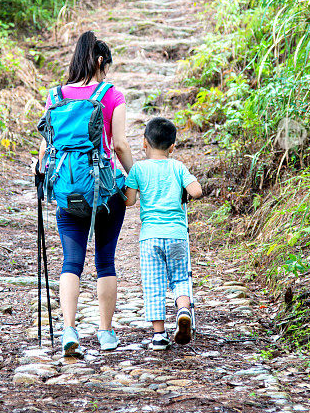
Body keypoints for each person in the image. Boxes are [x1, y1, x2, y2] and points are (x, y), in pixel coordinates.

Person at [36, 31, 134, 357]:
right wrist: (134, 178)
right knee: (105, 262)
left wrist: (42, 177)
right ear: (101, 61)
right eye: (106, 67)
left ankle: (68, 329)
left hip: (67, 191)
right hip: (104, 191)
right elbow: (119, 144)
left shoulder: (55, 97)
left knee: (71, 262)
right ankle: (105, 334)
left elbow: (44, 151)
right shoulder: (110, 95)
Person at [124, 117, 202, 350]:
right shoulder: (177, 166)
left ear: (144, 144)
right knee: (180, 278)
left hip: (150, 237)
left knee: (154, 283)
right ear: (172, 147)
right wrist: (184, 192)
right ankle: (183, 311)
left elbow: (129, 201)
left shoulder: (138, 169)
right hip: (177, 235)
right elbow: (196, 191)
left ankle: (159, 335)